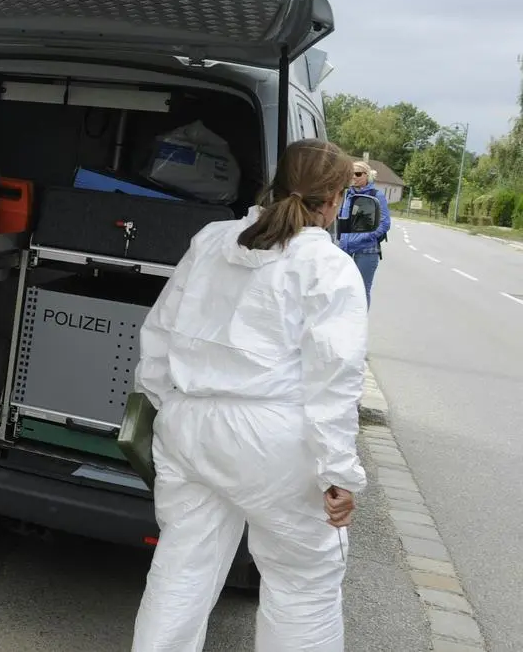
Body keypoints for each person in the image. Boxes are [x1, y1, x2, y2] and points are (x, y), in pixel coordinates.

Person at [130, 139, 369, 651]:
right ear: (334, 200)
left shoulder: (213, 240)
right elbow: (334, 378)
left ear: (274, 184)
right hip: (273, 439)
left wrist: (162, 404)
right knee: (301, 587)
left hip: (190, 424)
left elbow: (160, 331)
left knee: (180, 571)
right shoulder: (327, 266)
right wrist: (338, 471)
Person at [339, 161, 391, 307]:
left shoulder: (376, 195)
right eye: (351, 174)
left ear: (367, 176)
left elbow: (385, 224)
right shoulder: (346, 195)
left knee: (361, 290)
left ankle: (360, 319)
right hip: (344, 250)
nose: (353, 177)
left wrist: (362, 237)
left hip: (366, 251)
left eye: (357, 174)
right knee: (341, 289)